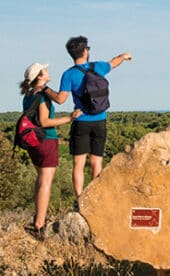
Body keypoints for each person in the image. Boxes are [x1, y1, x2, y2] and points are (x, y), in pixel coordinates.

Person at [44, 36, 132, 202]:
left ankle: (79, 200)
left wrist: (45, 89)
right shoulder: (98, 67)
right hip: (100, 120)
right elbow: (114, 62)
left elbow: (61, 99)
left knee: (78, 164)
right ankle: (95, 198)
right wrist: (124, 56)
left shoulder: (69, 74)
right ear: (85, 51)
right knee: (96, 162)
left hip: (81, 121)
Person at [19, 62, 80, 240]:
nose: (48, 72)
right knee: (46, 182)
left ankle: (37, 220)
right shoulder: (42, 97)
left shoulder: (28, 96)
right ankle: (39, 225)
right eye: (44, 71)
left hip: (32, 143)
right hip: (46, 140)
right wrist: (69, 118)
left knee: (40, 181)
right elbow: (44, 122)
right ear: (39, 76)